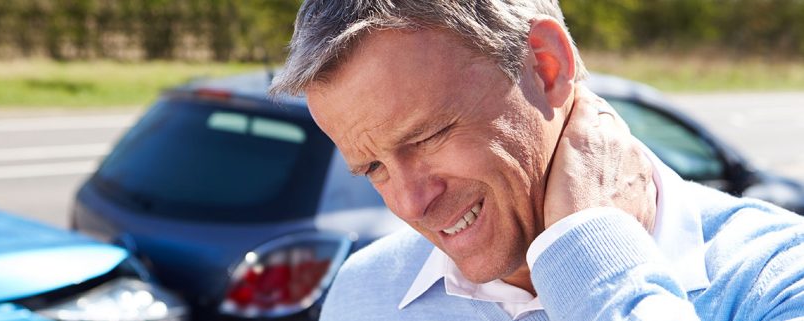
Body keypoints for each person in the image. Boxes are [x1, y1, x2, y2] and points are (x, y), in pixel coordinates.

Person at [269, 1, 804, 320]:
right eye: (374, 169)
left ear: (547, 67)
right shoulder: (367, 291)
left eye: (427, 137)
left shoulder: (779, 277)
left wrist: (591, 255)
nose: (409, 203)